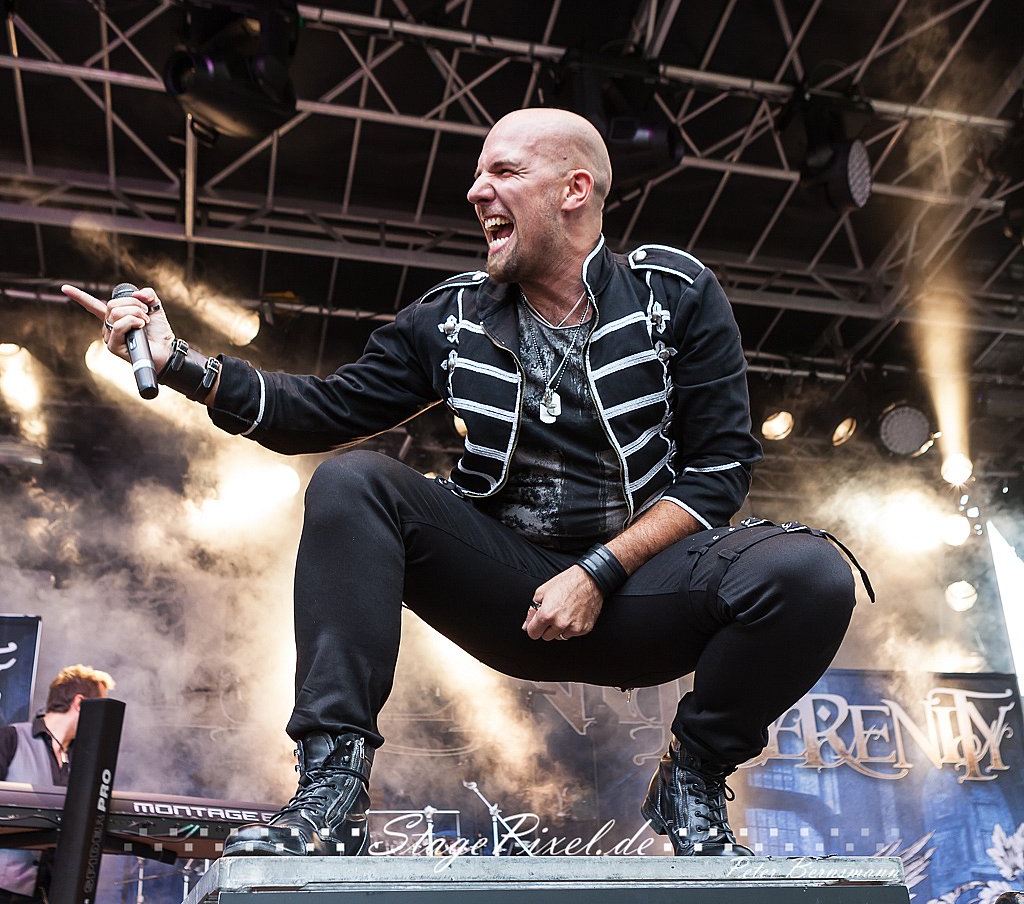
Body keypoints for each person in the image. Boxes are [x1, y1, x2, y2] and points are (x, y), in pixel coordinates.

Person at [62, 108, 868, 860]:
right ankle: (331, 794)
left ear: (574, 189)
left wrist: (598, 571)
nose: (477, 191)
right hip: (511, 592)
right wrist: (179, 363)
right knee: (354, 482)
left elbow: (720, 470)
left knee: (811, 572)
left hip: (644, 592)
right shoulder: (449, 319)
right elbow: (320, 412)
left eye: (503, 172)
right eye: (479, 175)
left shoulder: (675, 293)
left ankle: (693, 773)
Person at [0, 665, 115, 902]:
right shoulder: (12, 738)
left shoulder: (83, 759)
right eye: (100, 707)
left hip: (51, 891)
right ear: (80, 703)